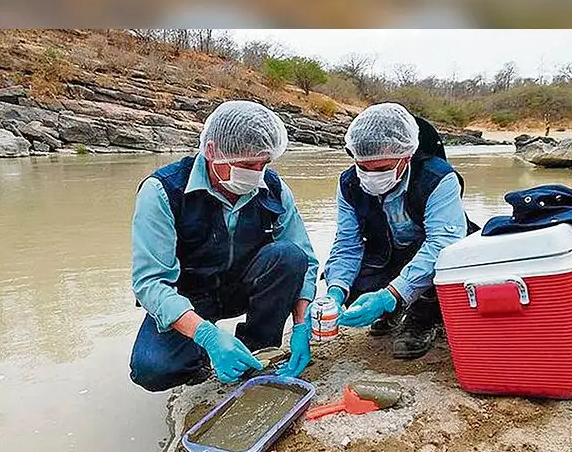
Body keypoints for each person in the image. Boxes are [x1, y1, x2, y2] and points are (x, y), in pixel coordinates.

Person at [129, 101, 319, 392]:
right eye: (246, 165)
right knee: (152, 369)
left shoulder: (274, 188)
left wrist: (302, 324)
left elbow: (304, 256)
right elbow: (150, 282)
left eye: (264, 164)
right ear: (211, 151)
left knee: (288, 256)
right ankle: (204, 357)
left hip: (245, 286)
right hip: (191, 296)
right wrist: (205, 335)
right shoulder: (162, 191)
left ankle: (257, 350)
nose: (257, 174)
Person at [322, 103, 478, 359]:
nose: (372, 176)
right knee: (353, 281)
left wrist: (391, 293)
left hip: (431, 250)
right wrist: (335, 292)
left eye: (383, 169)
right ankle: (394, 309)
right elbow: (347, 244)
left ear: (406, 157)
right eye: (364, 167)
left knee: (449, 263)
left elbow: (443, 243)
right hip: (388, 253)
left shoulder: (438, 178)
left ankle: (423, 319)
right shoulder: (349, 183)